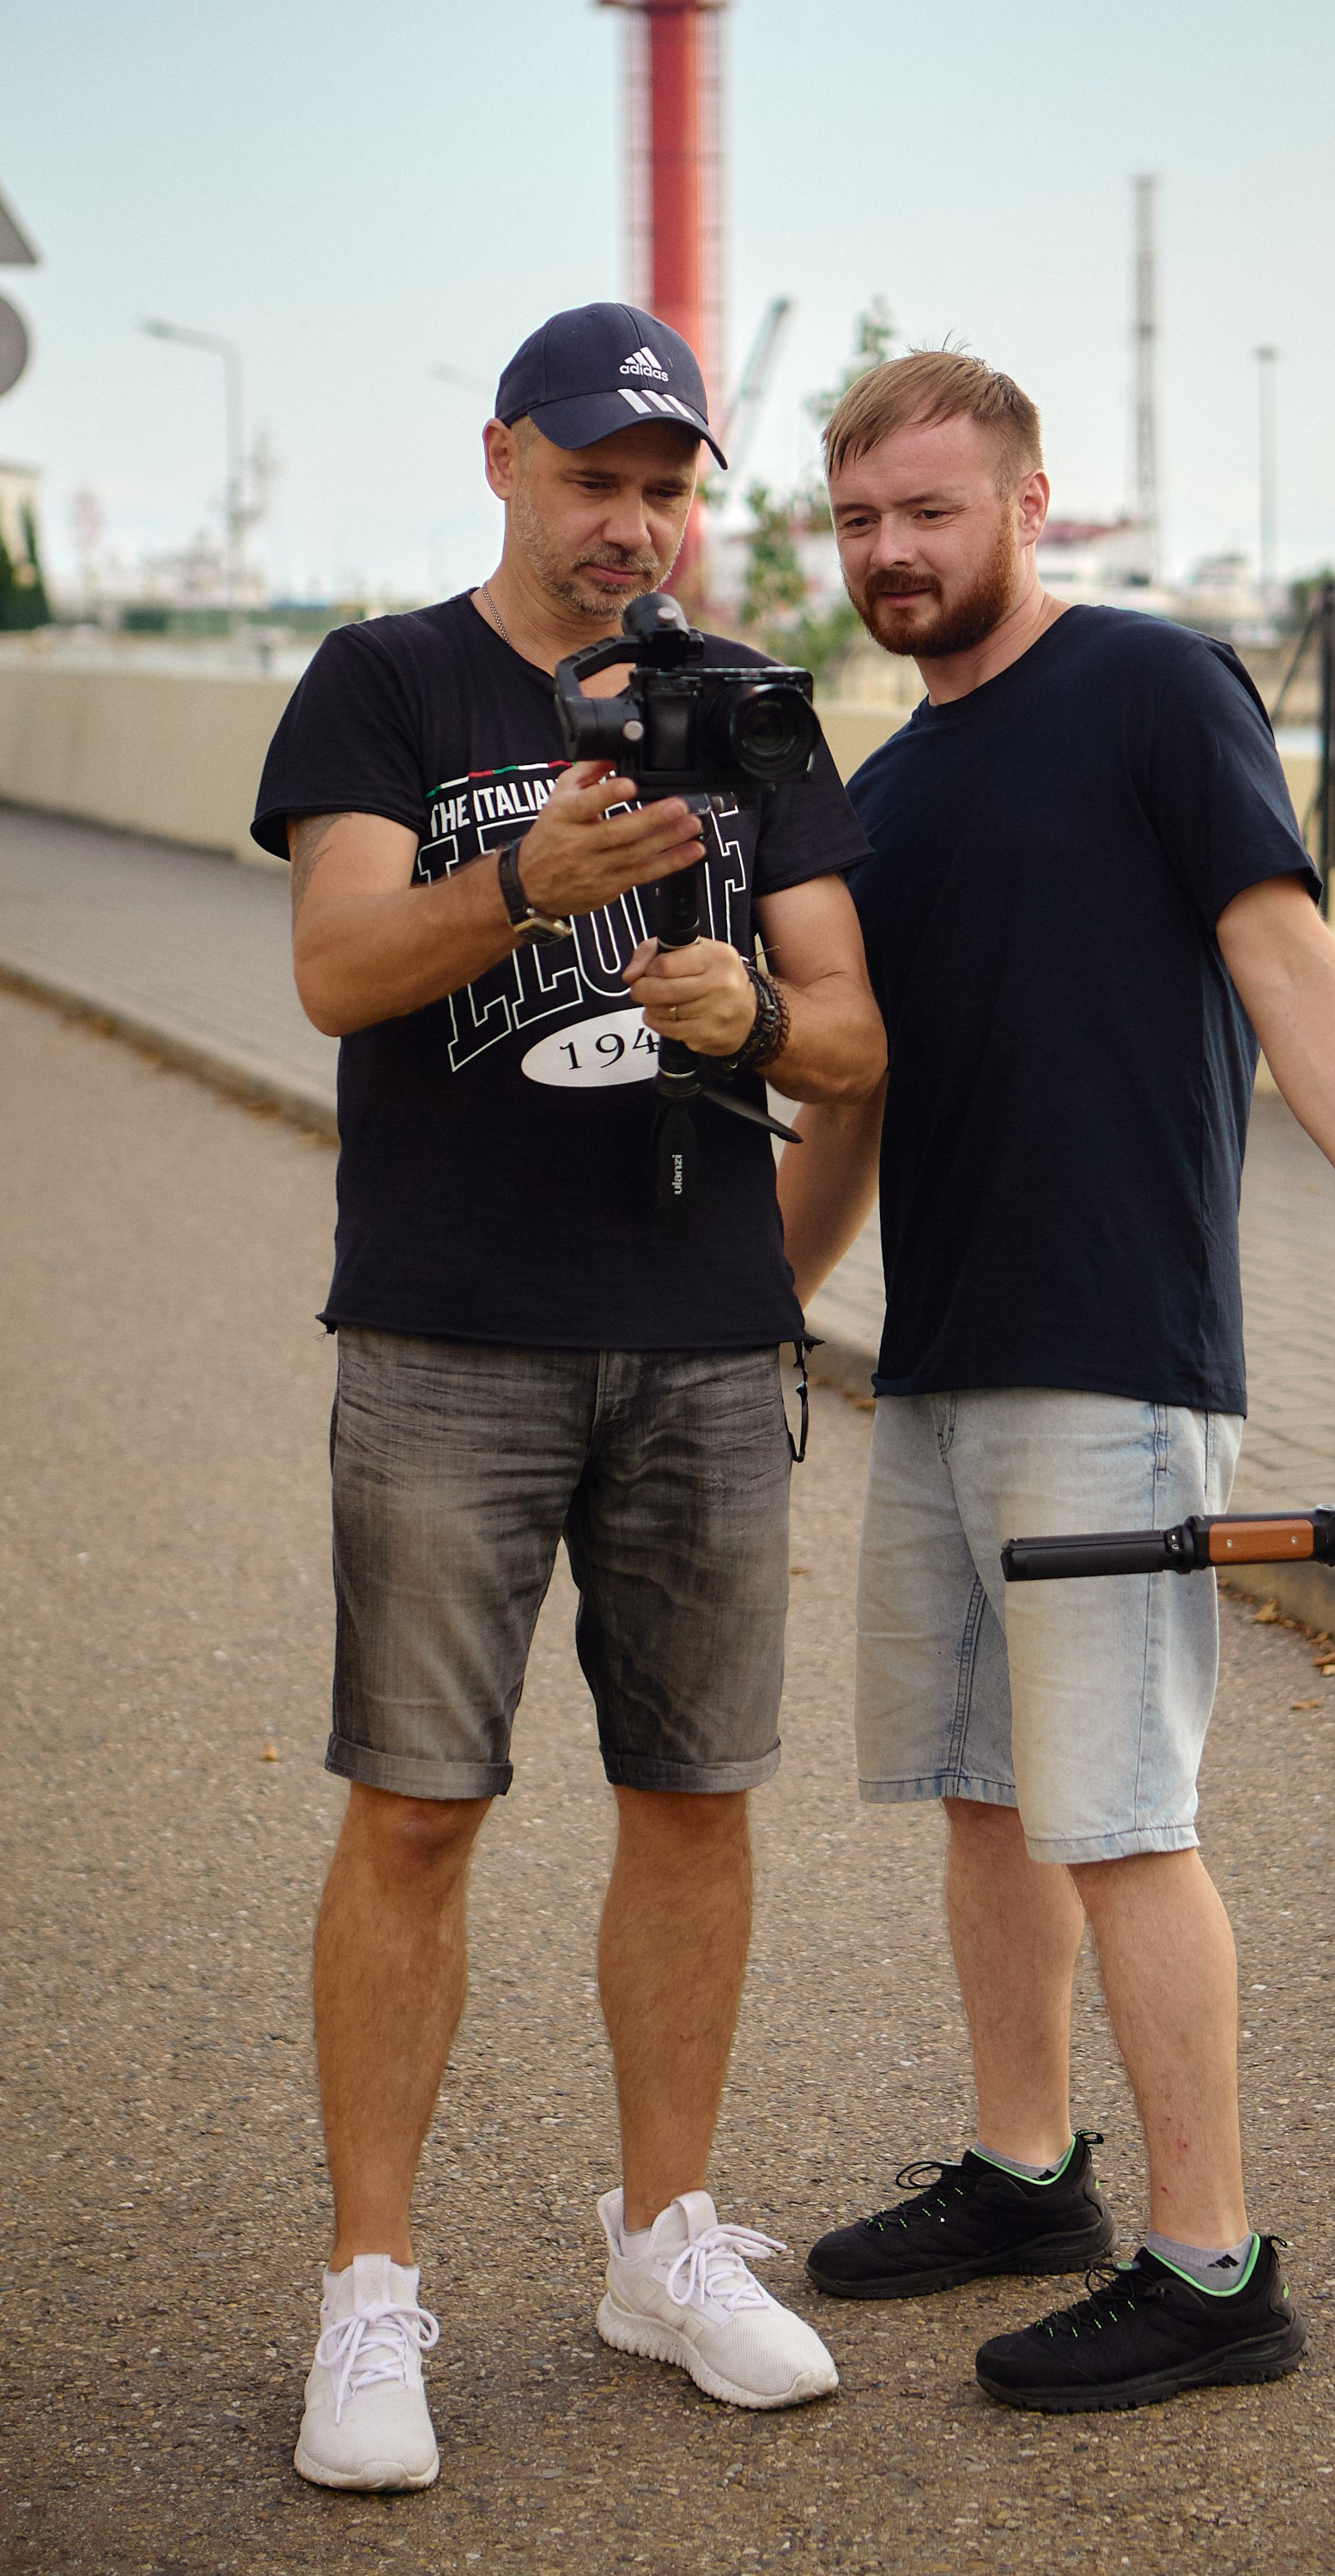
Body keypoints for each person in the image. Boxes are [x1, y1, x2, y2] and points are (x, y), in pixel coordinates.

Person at [778, 349, 1335, 2415]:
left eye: (929, 511)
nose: (890, 552)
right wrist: (758, 1309)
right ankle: (1027, 2174)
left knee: (1117, 1814)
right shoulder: (885, 792)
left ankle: (1215, 2269)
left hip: (1111, 1351)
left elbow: (1282, 949)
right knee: (980, 1793)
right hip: (939, 1358)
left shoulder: (1149, 686)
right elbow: (849, 1104)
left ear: (1030, 505)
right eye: (857, 521)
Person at [252, 303, 884, 2487]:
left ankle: (663, 2244)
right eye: (595, 477)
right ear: (503, 457)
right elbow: (336, 968)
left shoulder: (750, 707)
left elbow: (852, 1036)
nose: (632, 523)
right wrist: (527, 879)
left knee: (694, 1797)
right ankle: (369, 2291)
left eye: (666, 487)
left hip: (699, 1338)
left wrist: (742, 1014)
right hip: (446, 1335)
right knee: (417, 1806)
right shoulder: (387, 682)